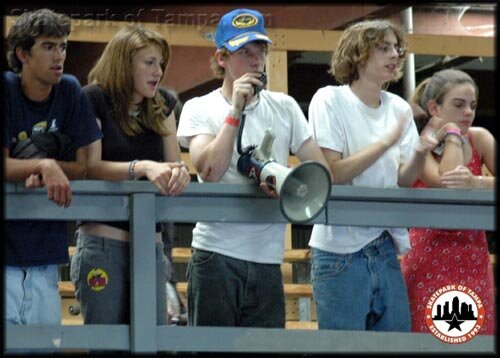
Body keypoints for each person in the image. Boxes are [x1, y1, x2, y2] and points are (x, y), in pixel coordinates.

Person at [177, 8, 330, 327]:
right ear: (222, 58)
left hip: (267, 259)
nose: (255, 59)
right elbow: (209, 170)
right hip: (216, 254)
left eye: (260, 50)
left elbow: (318, 168)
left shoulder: (285, 107)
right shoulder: (200, 107)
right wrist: (235, 110)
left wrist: (284, 178)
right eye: (244, 52)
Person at [307, 19, 437, 331]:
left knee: (395, 345)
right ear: (357, 55)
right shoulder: (330, 99)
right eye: (383, 48)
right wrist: (386, 142)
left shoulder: (397, 108)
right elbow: (332, 173)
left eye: (396, 48)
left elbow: (404, 180)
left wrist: (421, 150)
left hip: (384, 243)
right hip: (338, 249)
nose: (394, 55)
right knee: (344, 349)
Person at [69, 25, 191, 325]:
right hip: (103, 245)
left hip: (151, 244)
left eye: (161, 64)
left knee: (154, 343)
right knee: (107, 345)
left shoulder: (164, 103)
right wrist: (143, 166)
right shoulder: (93, 97)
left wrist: (181, 174)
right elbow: (90, 167)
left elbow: (174, 165)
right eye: (149, 62)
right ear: (125, 63)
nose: (158, 71)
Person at [3, 8, 102, 326]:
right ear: (23, 54)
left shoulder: (70, 89)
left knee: (42, 347)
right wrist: (44, 163)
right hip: (6, 252)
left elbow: (85, 165)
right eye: (48, 46)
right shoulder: (5, 89)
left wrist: (42, 167)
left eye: (63, 46)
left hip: (46, 251)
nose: (59, 55)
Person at [400, 68, 496, 335]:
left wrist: (478, 183)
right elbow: (448, 183)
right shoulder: (419, 145)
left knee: (475, 340)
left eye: (473, 106)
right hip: (427, 255)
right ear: (434, 107)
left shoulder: (480, 138)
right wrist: (452, 132)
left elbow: (464, 182)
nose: (469, 112)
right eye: (459, 105)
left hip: (473, 255)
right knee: (427, 340)